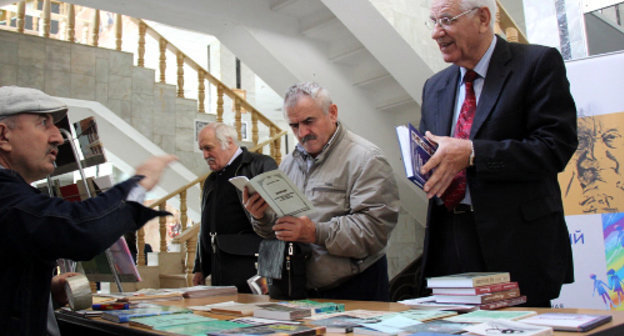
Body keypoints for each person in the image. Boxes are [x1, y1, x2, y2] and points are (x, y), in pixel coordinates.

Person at [418, 0, 578, 307]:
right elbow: (436, 155)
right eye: (433, 21)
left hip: (517, 245)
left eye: (447, 20)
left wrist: (474, 153)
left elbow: (554, 147)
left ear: (482, 17)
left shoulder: (537, 63)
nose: (436, 33)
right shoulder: (434, 86)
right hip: (451, 242)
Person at [0, 85, 176, 335]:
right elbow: (81, 230)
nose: (58, 138)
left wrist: (45, 289)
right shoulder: (9, 198)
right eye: (43, 123)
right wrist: (139, 183)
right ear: (3, 136)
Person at [244, 82, 399, 301]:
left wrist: (316, 232)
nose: (302, 133)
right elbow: (280, 231)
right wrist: (261, 217)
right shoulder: (289, 163)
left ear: (332, 113)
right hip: (300, 290)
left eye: (309, 121)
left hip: (355, 289)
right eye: (294, 125)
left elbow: (374, 232)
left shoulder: (366, 159)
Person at [192, 122, 277, 292]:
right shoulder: (211, 180)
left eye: (208, 148)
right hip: (220, 266)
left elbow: (276, 220)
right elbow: (206, 224)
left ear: (229, 142)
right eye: (202, 149)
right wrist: (200, 266)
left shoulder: (260, 165)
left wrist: (270, 269)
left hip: (252, 265)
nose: (205, 155)